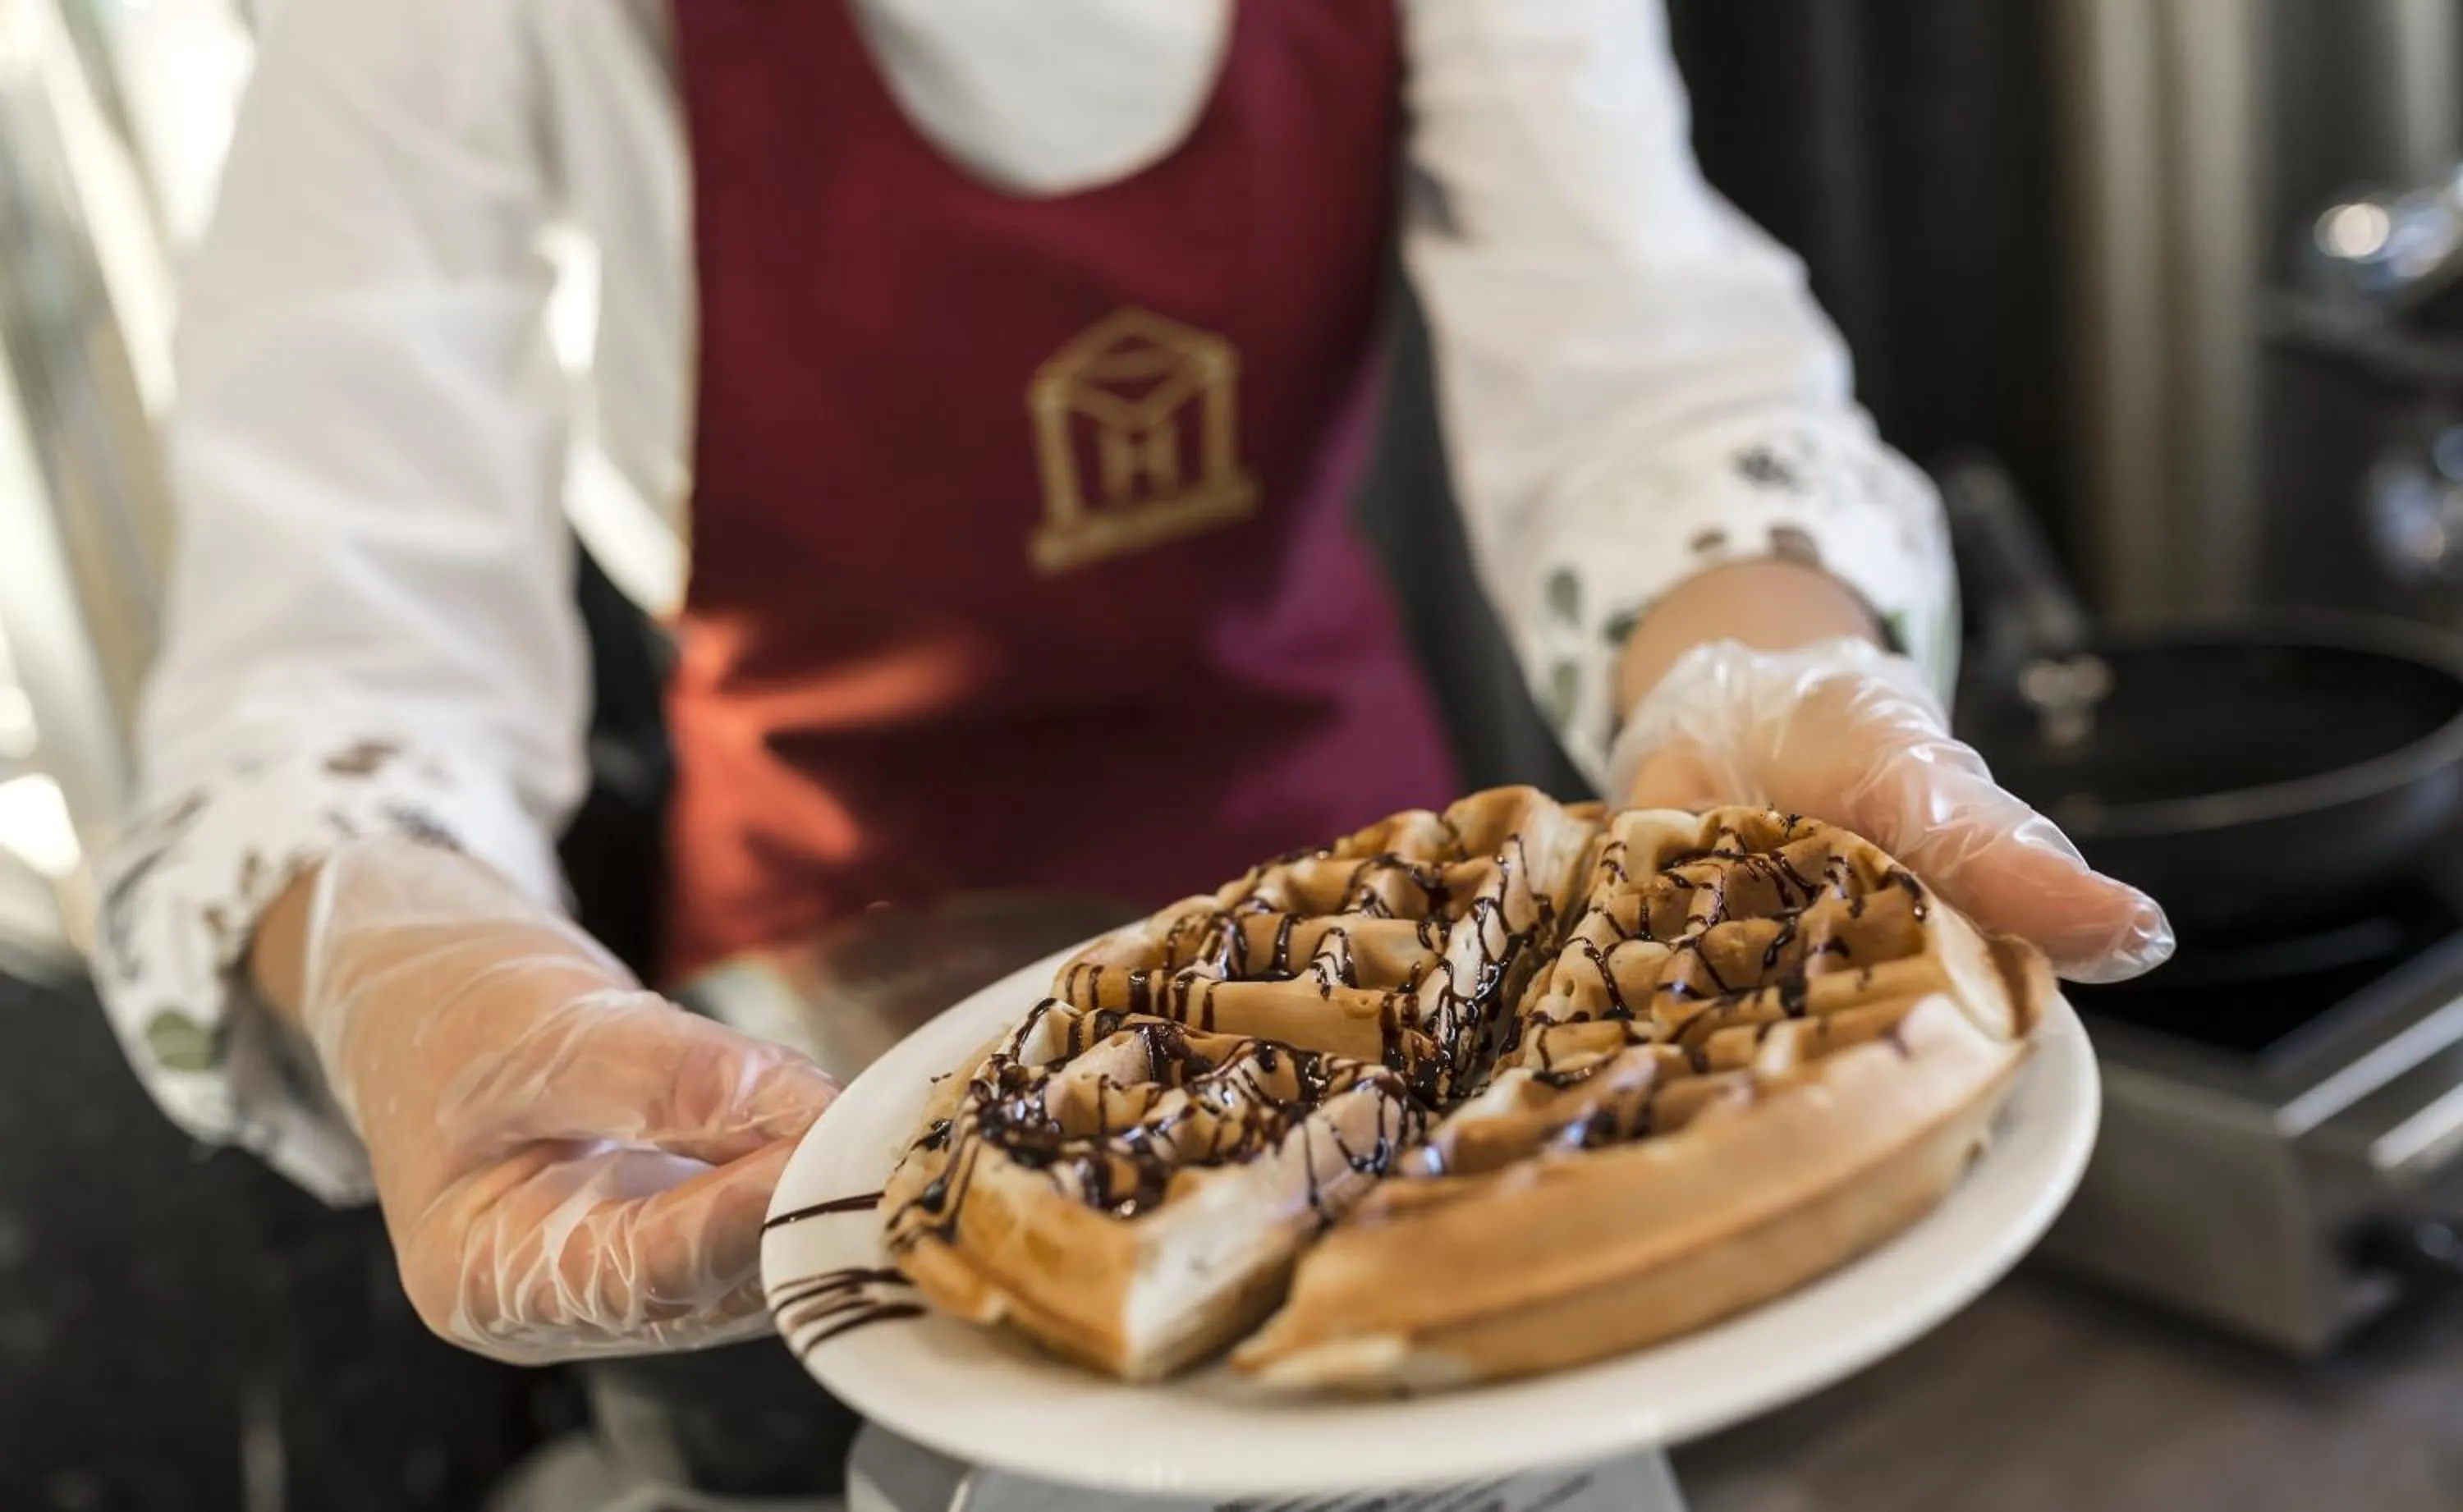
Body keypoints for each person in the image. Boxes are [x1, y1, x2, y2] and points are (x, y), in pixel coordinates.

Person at [94, 0, 2171, 1370]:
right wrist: (394, 949)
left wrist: (1761, 661)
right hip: (814, 998)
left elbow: (1654, 365)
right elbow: (330, 612)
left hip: (1387, 886)